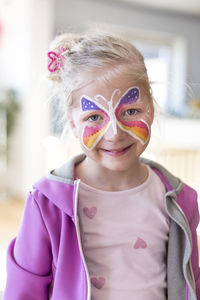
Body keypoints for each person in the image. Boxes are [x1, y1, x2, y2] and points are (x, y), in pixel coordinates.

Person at [3, 31, 200, 300]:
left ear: (151, 109)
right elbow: (23, 291)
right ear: (73, 124)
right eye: (94, 116)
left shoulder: (179, 201)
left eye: (130, 111)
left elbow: (192, 282)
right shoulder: (47, 203)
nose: (114, 134)